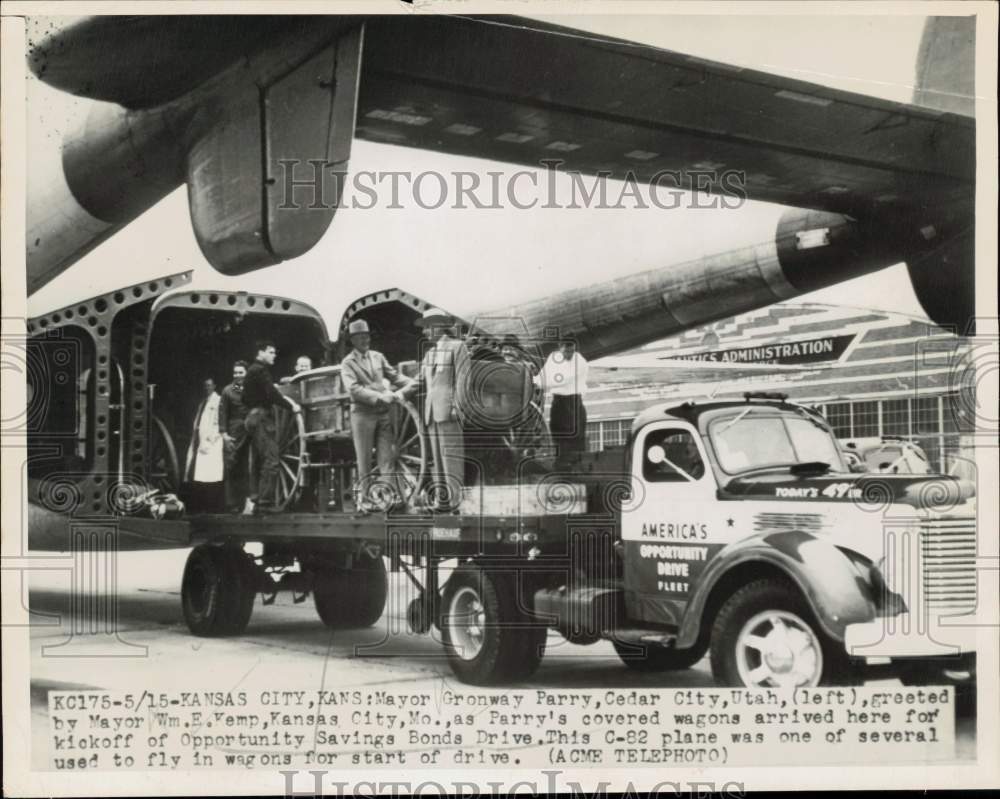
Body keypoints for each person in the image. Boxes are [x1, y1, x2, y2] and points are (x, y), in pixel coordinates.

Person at [340, 319, 414, 514]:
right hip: (363, 415)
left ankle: (387, 497)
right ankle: (365, 501)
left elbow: (395, 376)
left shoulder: (378, 357)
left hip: (382, 414)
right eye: (360, 337)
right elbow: (354, 390)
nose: (365, 340)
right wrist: (380, 396)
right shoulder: (348, 363)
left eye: (367, 336)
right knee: (364, 459)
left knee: (387, 458)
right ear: (353, 340)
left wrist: (415, 383)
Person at [411, 308, 470, 512]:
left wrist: (456, 408)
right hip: (431, 414)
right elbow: (417, 382)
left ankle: (455, 504)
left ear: (438, 326)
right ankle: (442, 501)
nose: (424, 332)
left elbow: (463, 381)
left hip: (448, 412)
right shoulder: (429, 354)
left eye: (427, 328)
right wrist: (397, 393)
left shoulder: (457, 347)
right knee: (436, 459)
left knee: (451, 457)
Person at [243, 340, 300, 514]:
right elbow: (271, 393)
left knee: (261, 460)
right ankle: (264, 503)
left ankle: (256, 499)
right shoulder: (260, 370)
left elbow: (245, 397)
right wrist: (291, 407)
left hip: (252, 417)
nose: (274, 355)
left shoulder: (251, 371)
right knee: (272, 460)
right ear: (260, 353)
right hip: (261, 417)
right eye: (271, 352)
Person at [540, 337, 589, 469]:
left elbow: (563, 379)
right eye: (566, 351)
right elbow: (544, 375)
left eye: (572, 351)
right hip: (558, 402)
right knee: (557, 434)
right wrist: (536, 379)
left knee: (576, 437)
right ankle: (561, 466)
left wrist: (539, 382)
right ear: (560, 348)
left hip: (574, 403)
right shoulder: (553, 357)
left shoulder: (580, 362)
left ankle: (577, 466)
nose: (569, 354)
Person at [184, 377, 224, 512]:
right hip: (200, 442)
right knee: (200, 477)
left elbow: (218, 423)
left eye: (209, 385)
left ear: (214, 386)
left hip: (212, 443)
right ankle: (202, 506)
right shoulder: (203, 403)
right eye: (205, 386)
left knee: (212, 477)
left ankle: (212, 507)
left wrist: (210, 439)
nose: (206, 388)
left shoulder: (217, 401)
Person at [219, 360, 250, 513]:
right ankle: (232, 504)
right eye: (235, 372)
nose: (238, 375)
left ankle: (247, 502)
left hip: (250, 430)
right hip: (234, 432)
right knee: (232, 466)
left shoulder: (251, 389)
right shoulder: (228, 391)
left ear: (246, 373)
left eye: (241, 372)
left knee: (247, 467)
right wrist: (224, 434)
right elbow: (223, 413)